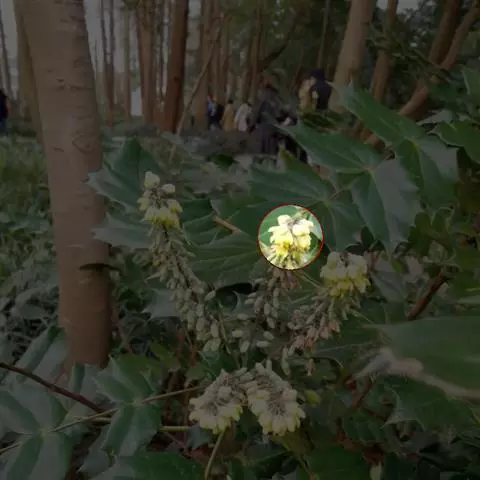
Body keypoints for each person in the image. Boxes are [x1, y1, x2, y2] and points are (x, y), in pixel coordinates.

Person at [249, 73, 285, 155]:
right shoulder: (277, 97)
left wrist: (251, 126)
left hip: (263, 129)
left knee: (260, 153)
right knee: (272, 154)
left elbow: (256, 112)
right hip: (274, 129)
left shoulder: (262, 94)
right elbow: (280, 114)